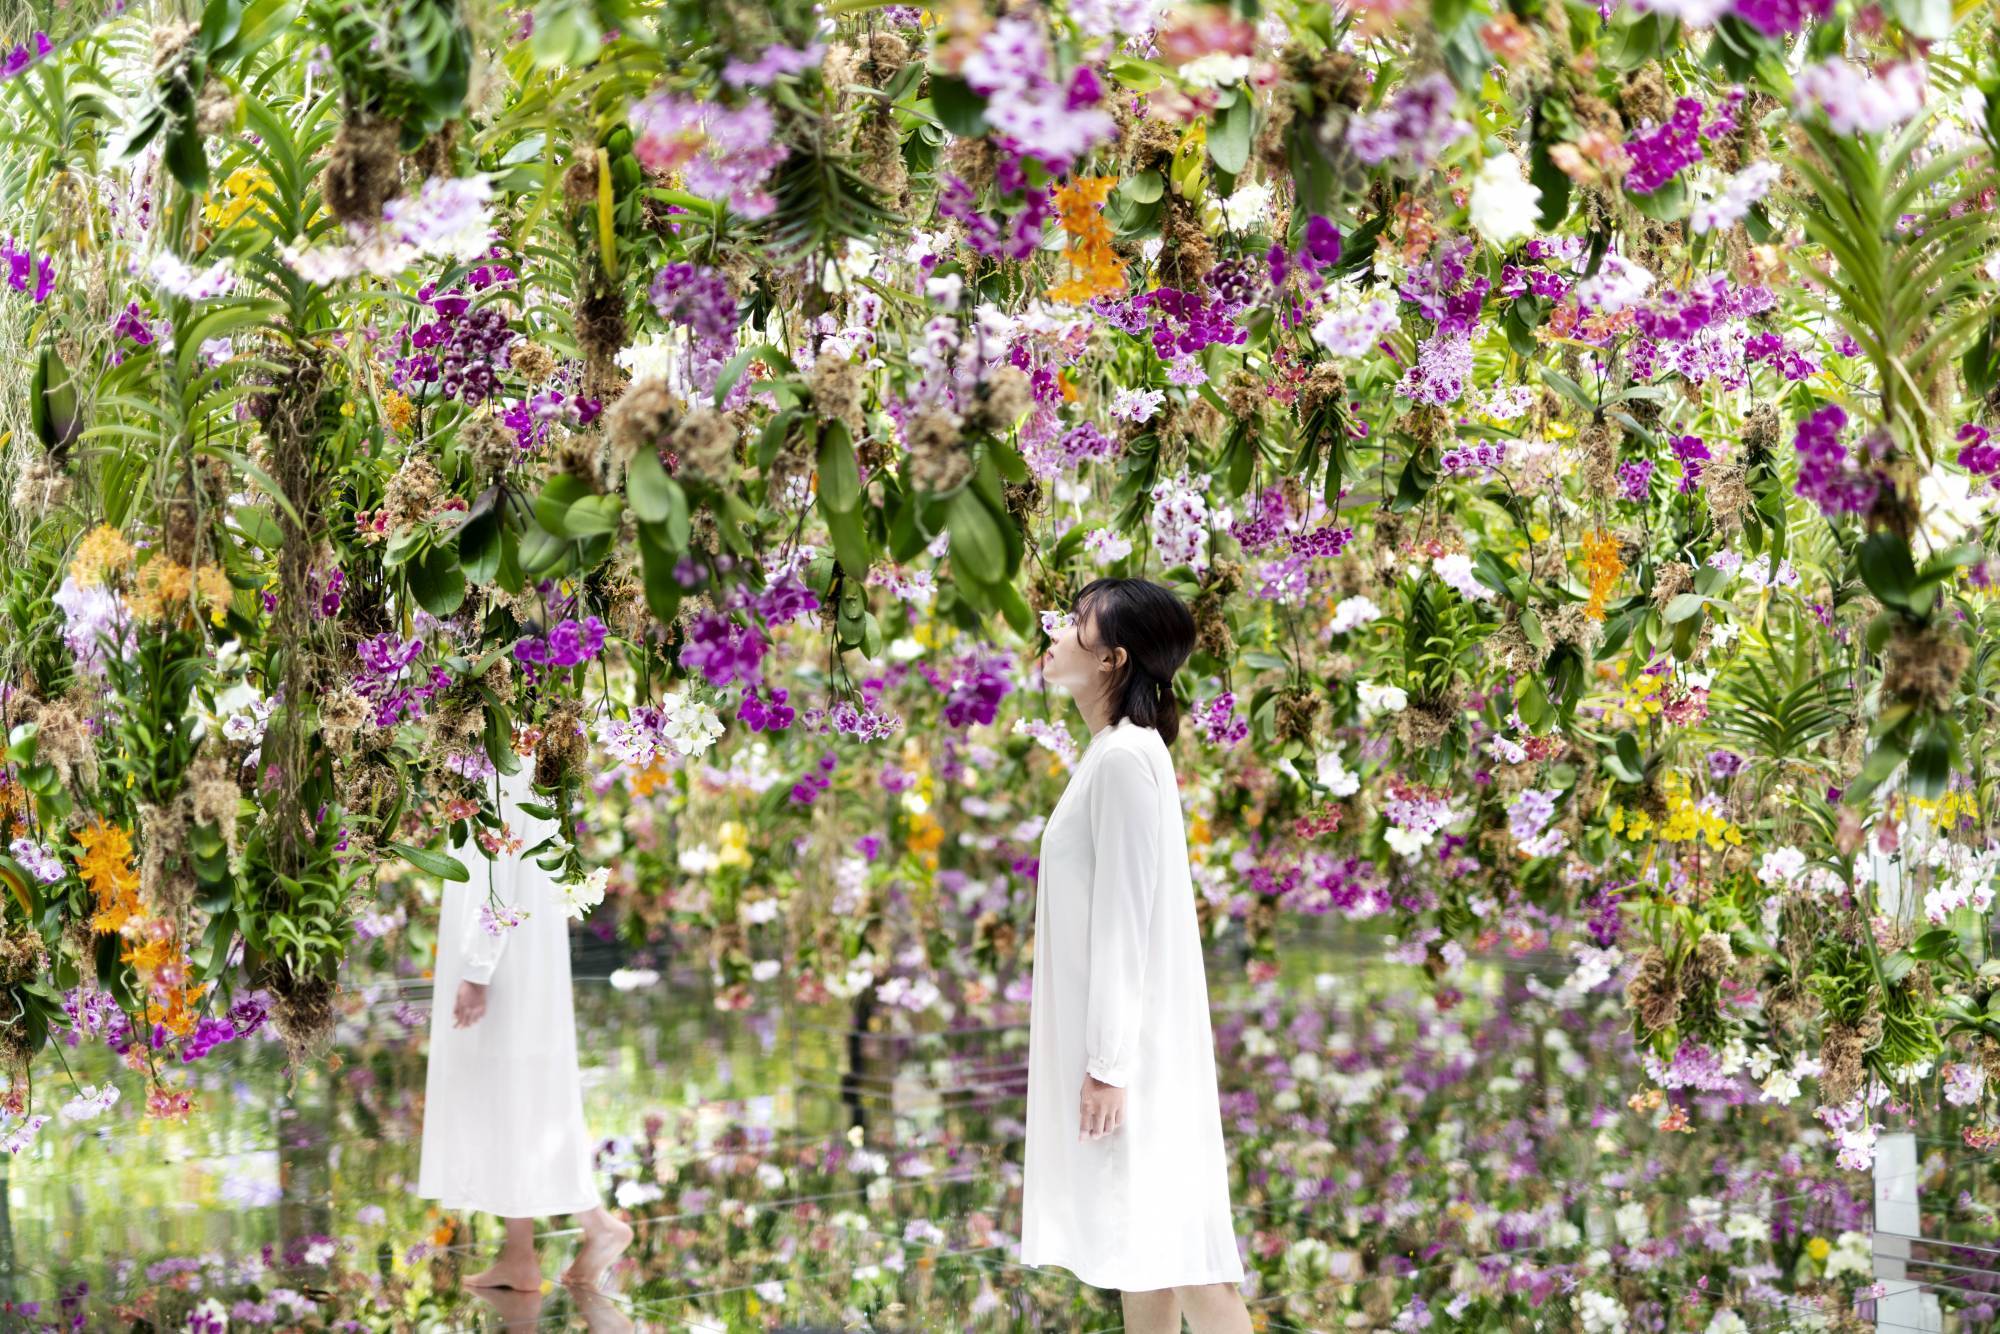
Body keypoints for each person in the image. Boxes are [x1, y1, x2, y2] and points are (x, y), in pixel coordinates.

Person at [1019, 577, 1251, 1334]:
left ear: (1113, 659)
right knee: (1141, 1248)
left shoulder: (1124, 759)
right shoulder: (1115, 754)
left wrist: (1109, 1066)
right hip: (1128, 1053)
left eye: (1078, 621)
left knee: (1188, 1258)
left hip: (1137, 1059)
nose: (1058, 629)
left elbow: (1125, 922)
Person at [415, 762, 633, 1290]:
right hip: (511, 950)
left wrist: (478, 969)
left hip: (503, 956)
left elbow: (502, 866)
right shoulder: (514, 753)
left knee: (515, 1090)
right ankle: (520, 1254)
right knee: (510, 1095)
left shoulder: (505, 757)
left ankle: (594, 1223)